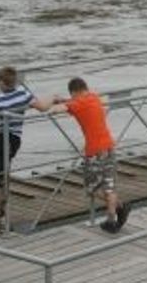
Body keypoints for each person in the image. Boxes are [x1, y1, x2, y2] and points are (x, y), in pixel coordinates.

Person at [47, 77, 129, 233]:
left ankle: (121, 207)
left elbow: (62, 109)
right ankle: (113, 219)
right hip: (109, 147)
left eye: (71, 95)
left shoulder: (77, 104)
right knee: (109, 186)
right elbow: (73, 103)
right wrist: (64, 100)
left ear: (74, 92)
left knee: (92, 188)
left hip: (94, 152)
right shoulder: (93, 97)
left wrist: (52, 107)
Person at [0, 67, 50, 222]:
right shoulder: (23, 93)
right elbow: (42, 107)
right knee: (3, 170)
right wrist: (54, 99)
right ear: (14, 81)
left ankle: (0, 205)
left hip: (0, 138)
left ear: (1, 82)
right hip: (15, 139)